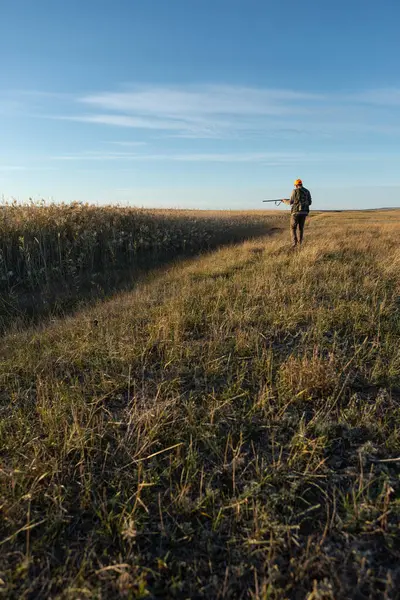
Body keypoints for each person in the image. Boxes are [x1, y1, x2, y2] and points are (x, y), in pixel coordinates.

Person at [282, 179, 312, 247]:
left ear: (296, 185)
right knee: (301, 228)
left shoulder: (294, 191)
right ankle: (300, 243)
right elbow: (310, 202)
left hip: (295, 212)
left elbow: (290, 202)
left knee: (293, 228)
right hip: (304, 212)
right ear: (301, 184)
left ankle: (294, 244)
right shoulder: (307, 191)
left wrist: (284, 201)